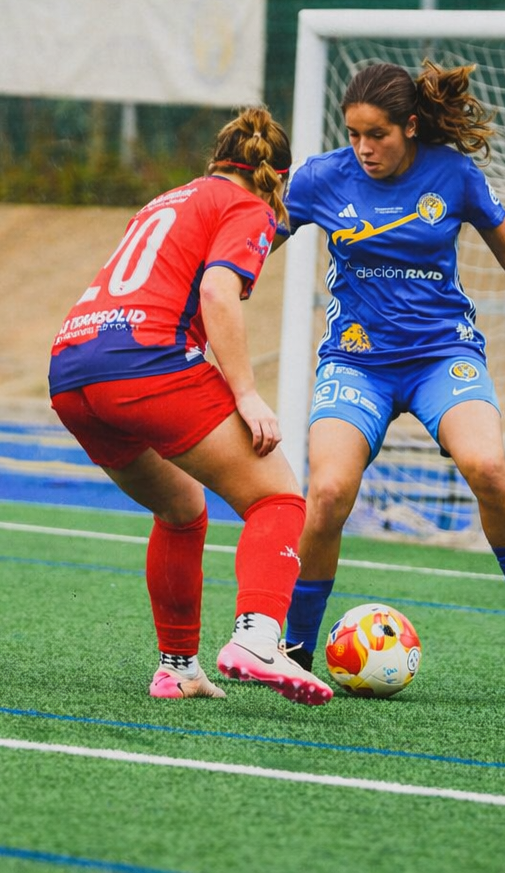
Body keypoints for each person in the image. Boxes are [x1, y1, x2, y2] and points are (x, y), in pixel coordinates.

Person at [277, 61, 505, 678]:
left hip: (442, 355)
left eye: (376, 134)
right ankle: (295, 648)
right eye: (352, 134)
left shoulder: (453, 175)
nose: (363, 148)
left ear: (409, 127)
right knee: (325, 494)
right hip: (356, 361)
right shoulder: (322, 178)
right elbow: (254, 242)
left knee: (486, 465)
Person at [49, 107, 334, 705]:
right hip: (144, 363)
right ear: (274, 180)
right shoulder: (251, 205)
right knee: (278, 498)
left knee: (182, 509)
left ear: (214, 163)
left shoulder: (168, 199)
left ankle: (177, 669)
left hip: (72, 368)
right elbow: (215, 291)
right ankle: (257, 636)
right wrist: (247, 394)